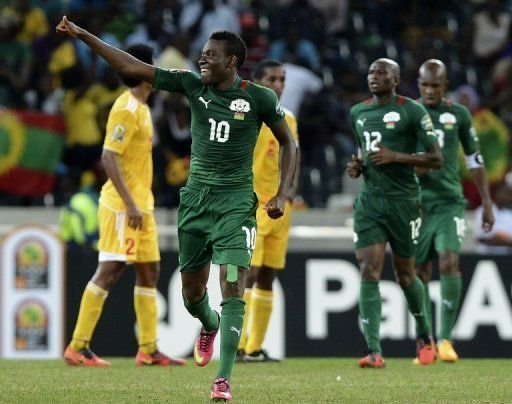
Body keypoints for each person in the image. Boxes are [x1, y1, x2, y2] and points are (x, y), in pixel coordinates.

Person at [56, 17, 296, 402]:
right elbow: (131, 67)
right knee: (191, 293)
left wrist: (282, 193)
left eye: (210, 56)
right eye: (201, 55)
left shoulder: (259, 98)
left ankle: (223, 380)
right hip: (196, 202)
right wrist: (86, 37)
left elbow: (289, 144)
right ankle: (209, 323)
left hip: (236, 203)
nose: (202, 61)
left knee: (233, 284)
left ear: (231, 61)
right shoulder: (189, 85)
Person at [63, 43, 186, 368]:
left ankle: (148, 349)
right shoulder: (126, 109)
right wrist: (131, 203)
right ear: (140, 70)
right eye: (152, 67)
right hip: (123, 206)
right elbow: (108, 157)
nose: (156, 73)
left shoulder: (143, 108)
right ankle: (78, 346)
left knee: (150, 270)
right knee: (112, 269)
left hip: (140, 206)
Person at [347, 58, 443, 368]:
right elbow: (364, 151)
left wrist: (396, 157)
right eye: (371, 72)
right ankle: (374, 350)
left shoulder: (412, 111)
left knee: (405, 275)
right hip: (370, 203)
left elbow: (435, 158)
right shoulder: (358, 112)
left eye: (382, 72)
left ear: (397, 79)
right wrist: (357, 166)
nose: (374, 77)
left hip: (404, 202)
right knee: (368, 270)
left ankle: (425, 334)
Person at [414, 59, 494, 363]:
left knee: (449, 261)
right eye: (425, 85)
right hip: (418, 202)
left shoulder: (458, 114)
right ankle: (425, 342)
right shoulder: (409, 112)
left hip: (450, 202)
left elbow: (474, 159)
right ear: (418, 85)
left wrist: (486, 203)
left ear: (444, 86)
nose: (430, 90)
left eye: (436, 85)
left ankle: (446, 340)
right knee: (419, 272)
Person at [237, 60, 300, 362]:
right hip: (254, 205)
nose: (279, 84)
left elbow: (294, 157)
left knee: (268, 276)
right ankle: (236, 345)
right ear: (259, 82)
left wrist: (287, 195)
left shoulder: (288, 117)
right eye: (272, 79)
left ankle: (255, 347)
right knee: (249, 273)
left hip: (281, 205)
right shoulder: (248, 115)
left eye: (282, 79)